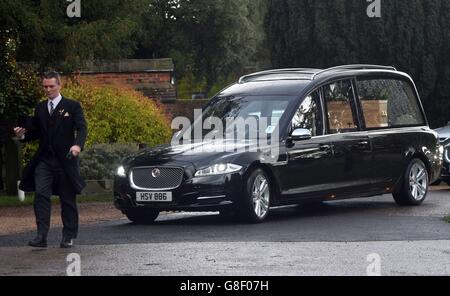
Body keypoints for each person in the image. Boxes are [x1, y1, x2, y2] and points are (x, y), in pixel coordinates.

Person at [14, 71, 87, 248]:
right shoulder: (40, 108)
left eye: (51, 86)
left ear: (59, 85)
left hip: (65, 160)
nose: (48, 90)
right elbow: (36, 133)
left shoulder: (72, 106)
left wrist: (77, 145)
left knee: (67, 199)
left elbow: (82, 128)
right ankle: (41, 236)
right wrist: (23, 135)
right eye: (45, 86)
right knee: (41, 196)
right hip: (44, 161)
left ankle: (68, 236)